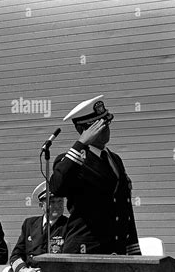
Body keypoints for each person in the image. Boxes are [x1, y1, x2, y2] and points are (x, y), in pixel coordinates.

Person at [50, 95, 141, 255]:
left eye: (107, 123)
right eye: (99, 126)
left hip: (116, 251)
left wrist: (133, 249)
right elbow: (57, 187)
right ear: (82, 130)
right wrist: (80, 144)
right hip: (85, 251)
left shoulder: (114, 159)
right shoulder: (72, 159)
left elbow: (124, 206)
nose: (106, 129)